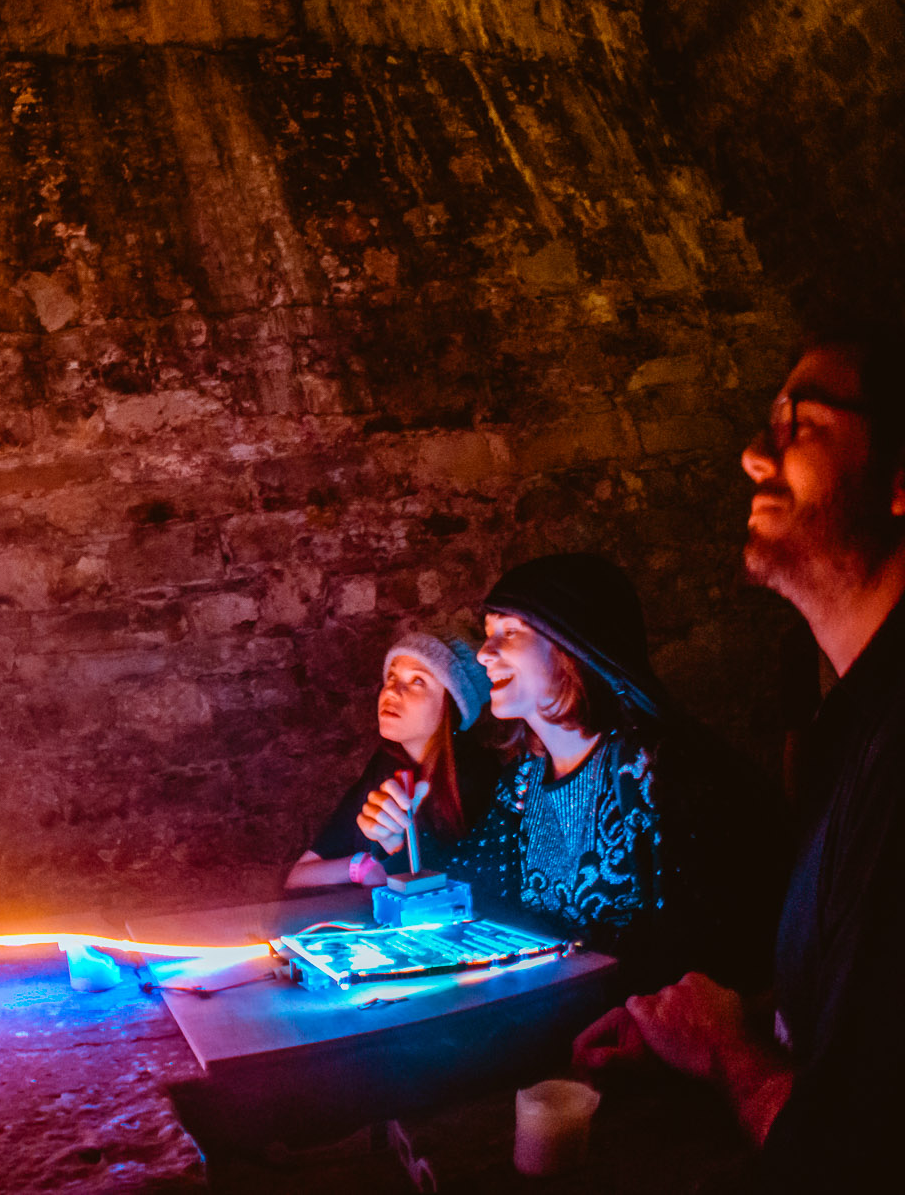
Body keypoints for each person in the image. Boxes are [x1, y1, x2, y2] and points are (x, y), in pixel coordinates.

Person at [573, 328, 905, 1185]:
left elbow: (847, 1158)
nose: (755, 456)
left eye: (802, 425)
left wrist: (727, 1049)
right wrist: (706, 1023)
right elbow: (860, 1005)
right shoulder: (848, 723)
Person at [359, 554, 780, 990]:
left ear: (571, 644)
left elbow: (706, 952)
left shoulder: (655, 772)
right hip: (561, 1015)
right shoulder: (524, 781)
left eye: (509, 633)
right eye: (488, 636)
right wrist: (399, 839)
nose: (484, 654)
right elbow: (474, 885)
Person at [285, 633, 494, 891]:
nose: (393, 691)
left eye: (417, 681)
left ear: (453, 705)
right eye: (392, 676)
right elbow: (299, 875)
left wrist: (393, 855)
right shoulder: (385, 769)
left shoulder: (483, 784)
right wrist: (363, 865)